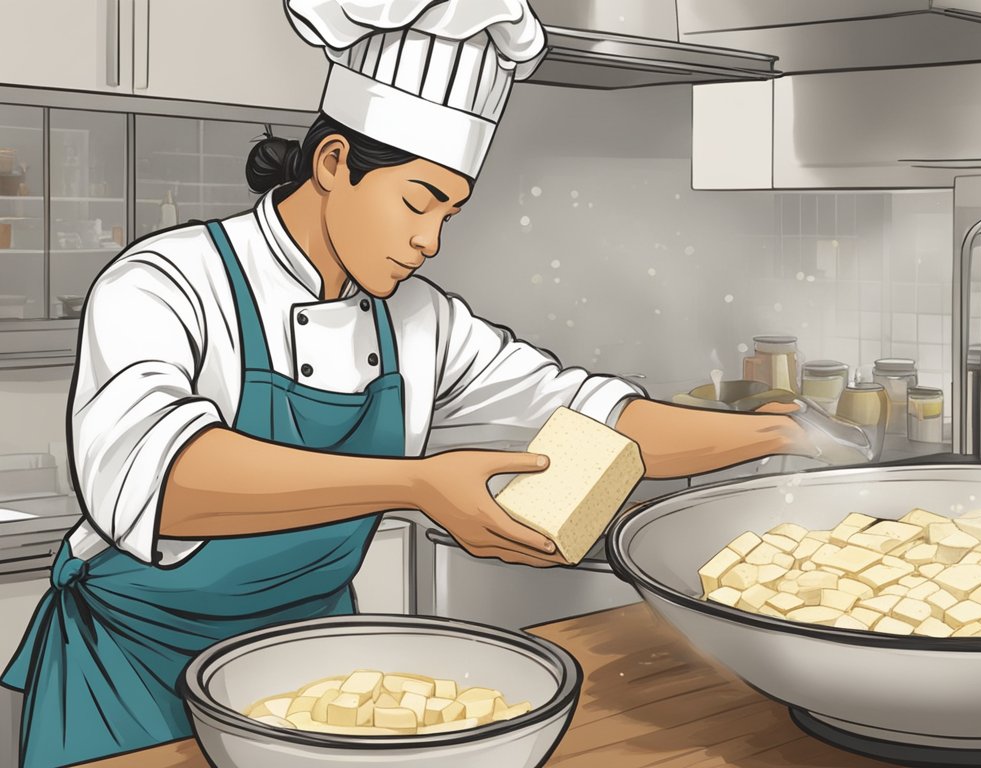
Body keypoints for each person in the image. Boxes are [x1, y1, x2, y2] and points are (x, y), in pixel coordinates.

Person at [0, 1, 853, 766]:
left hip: (313, 674)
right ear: (333, 161)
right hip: (131, 681)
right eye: (418, 203)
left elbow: (602, 414)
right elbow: (161, 482)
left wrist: (778, 432)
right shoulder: (165, 282)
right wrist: (418, 484)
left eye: (450, 211)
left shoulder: (421, 322)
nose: (430, 241)